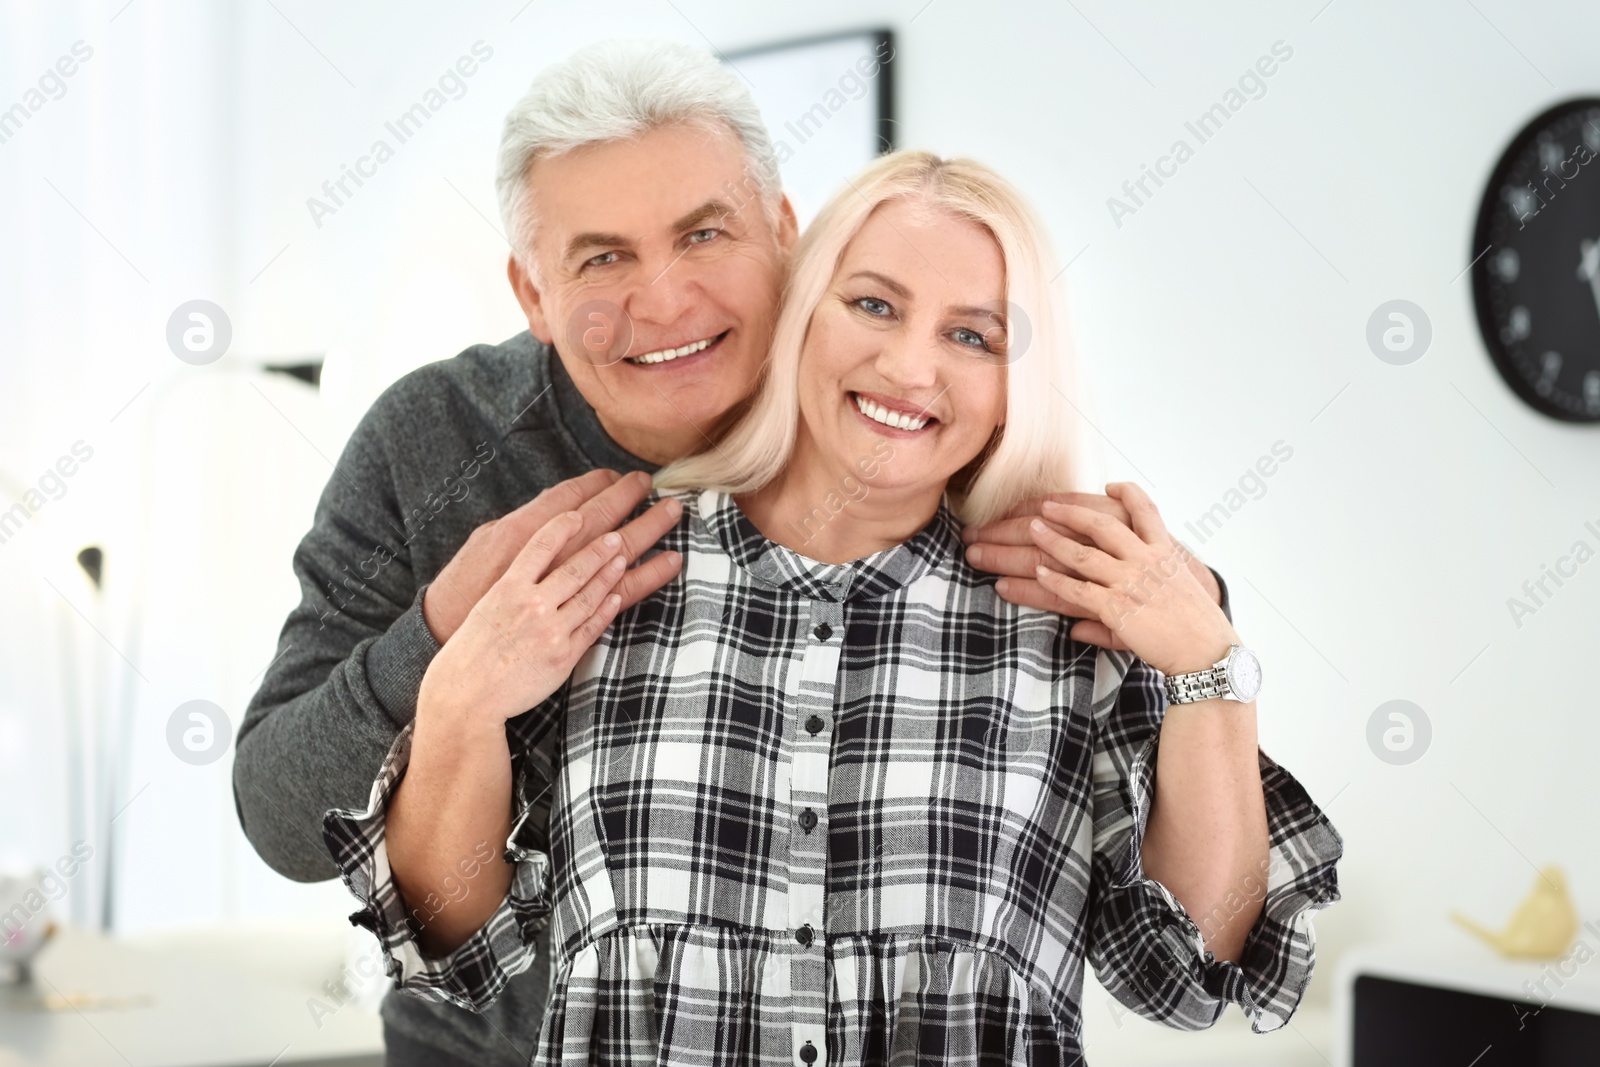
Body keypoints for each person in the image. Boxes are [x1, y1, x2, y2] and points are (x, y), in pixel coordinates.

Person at [234, 40, 1231, 1066]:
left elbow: (1189, 946)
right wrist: (442, 639)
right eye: (602, 256)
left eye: (704, 233)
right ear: (530, 294)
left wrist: (1197, 651)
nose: (664, 301)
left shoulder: (896, 428)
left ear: (786, 235)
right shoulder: (432, 438)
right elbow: (282, 817)